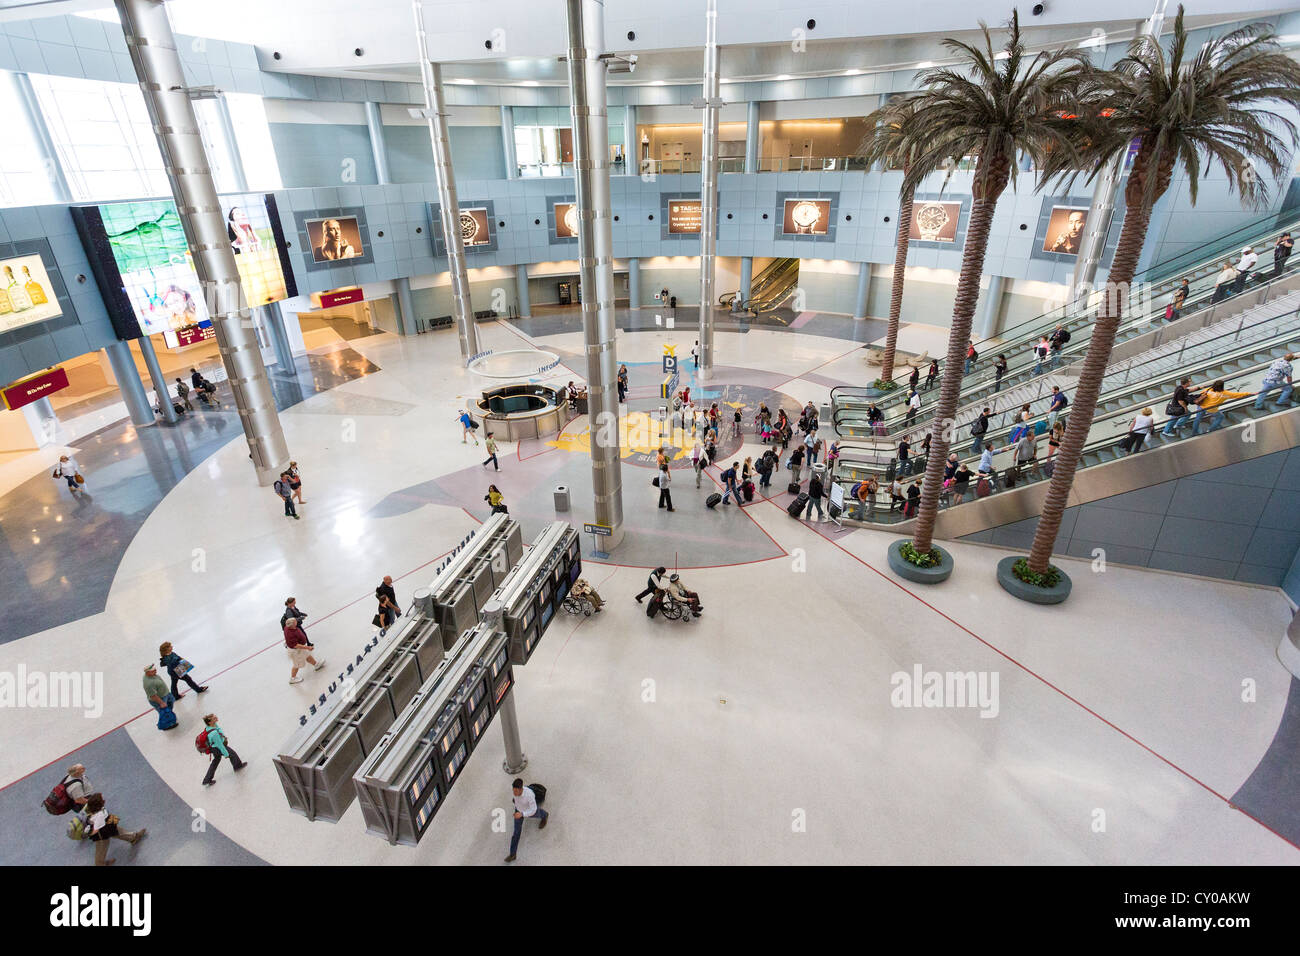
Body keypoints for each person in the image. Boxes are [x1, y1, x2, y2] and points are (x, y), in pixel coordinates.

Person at [84, 793, 146, 866]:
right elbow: (96, 830)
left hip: (107, 826)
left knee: (118, 832)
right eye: (102, 799)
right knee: (101, 849)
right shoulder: (99, 816)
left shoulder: (96, 810)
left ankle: (133, 838)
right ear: (99, 804)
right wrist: (89, 834)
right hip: (101, 835)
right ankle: (100, 864)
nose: (104, 800)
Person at [504, 778, 549, 863]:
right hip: (519, 810)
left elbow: (534, 810)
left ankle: (545, 816)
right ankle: (513, 854)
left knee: (539, 813)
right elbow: (516, 799)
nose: (514, 793)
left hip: (528, 811)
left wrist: (522, 814)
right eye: (513, 791)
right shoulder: (515, 792)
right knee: (516, 833)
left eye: (516, 791)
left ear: (521, 789)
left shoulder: (529, 795)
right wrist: (518, 808)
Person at [200, 714, 247, 786]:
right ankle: (237, 766)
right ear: (209, 722)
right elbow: (220, 745)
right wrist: (226, 754)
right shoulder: (213, 733)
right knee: (232, 754)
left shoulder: (210, 727)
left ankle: (207, 779)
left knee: (215, 761)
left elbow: (218, 729)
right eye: (214, 718)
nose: (216, 718)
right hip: (217, 747)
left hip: (213, 747)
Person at [284, 617, 324, 685]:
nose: (296, 621)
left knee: (307, 656)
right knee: (297, 664)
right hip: (296, 651)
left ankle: (316, 665)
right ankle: (292, 678)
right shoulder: (290, 633)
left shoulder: (288, 627)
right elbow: (295, 645)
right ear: (293, 624)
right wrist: (307, 647)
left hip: (300, 649)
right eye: (295, 621)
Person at [143, 664, 177, 731]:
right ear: (148, 672)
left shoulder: (152, 675)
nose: (156, 671)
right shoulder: (148, 683)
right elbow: (153, 696)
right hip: (160, 699)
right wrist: (161, 703)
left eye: (155, 669)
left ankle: (170, 719)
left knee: (169, 709)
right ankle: (166, 725)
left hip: (165, 695)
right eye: (153, 670)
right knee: (165, 713)